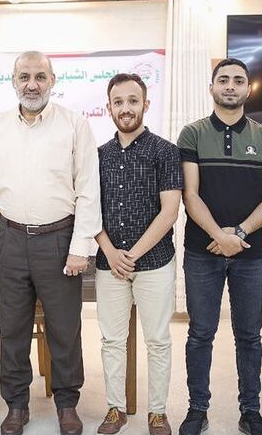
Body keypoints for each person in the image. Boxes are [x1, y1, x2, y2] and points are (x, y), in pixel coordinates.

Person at [0, 50, 101, 435]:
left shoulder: (75, 124)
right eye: (25, 77)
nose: (32, 85)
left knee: (65, 328)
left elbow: (88, 189)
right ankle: (16, 405)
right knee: (13, 329)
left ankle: (67, 403)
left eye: (40, 77)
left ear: (53, 80)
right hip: (9, 238)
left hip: (59, 239)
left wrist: (80, 247)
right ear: (13, 81)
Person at [177, 58, 262, 435]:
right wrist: (219, 236)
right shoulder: (192, 134)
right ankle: (197, 409)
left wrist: (238, 233)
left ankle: (250, 411)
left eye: (238, 80)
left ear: (247, 89)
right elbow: (190, 195)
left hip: (251, 255)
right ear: (212, 88)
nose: (230, 86)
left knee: (249, 335)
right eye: (223, 80)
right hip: (201, 252)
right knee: (200, 334)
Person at [94, 73, 182, 435]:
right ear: (109, 108)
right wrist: (110, 251)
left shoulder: (165, 151)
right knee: (112, 341)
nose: (126, 108)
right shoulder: (98, 156)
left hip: (155, 262)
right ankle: (115, 408)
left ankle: (157, 412)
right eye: (118, 102)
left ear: (145, 105)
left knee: (157, 340)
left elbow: (170, 211)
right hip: (109, 264)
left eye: (133, 101)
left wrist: (131, 254)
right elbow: (90, 210)